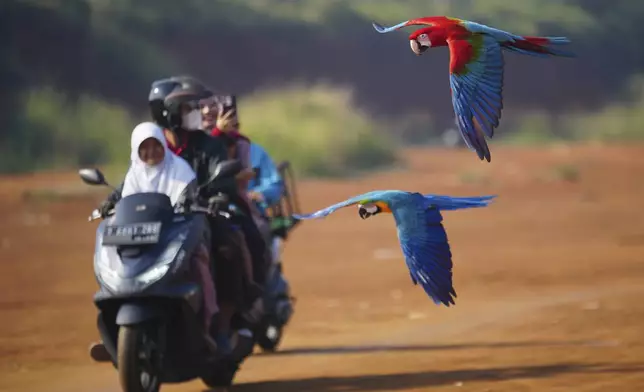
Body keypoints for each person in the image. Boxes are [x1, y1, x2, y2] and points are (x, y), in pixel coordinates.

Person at [89, 122, 219, 361]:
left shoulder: (180, 171)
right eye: (144, 148)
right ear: (136, 151)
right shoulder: (134, 174)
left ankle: (210, 324)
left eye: (155, 146)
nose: (151, 153)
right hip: (141, 237)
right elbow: (125, 201)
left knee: (199, 264)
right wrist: (109, 204)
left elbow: (187, 201)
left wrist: (189, 204)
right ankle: (116, 335)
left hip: (176, 234)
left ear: (163, 145)